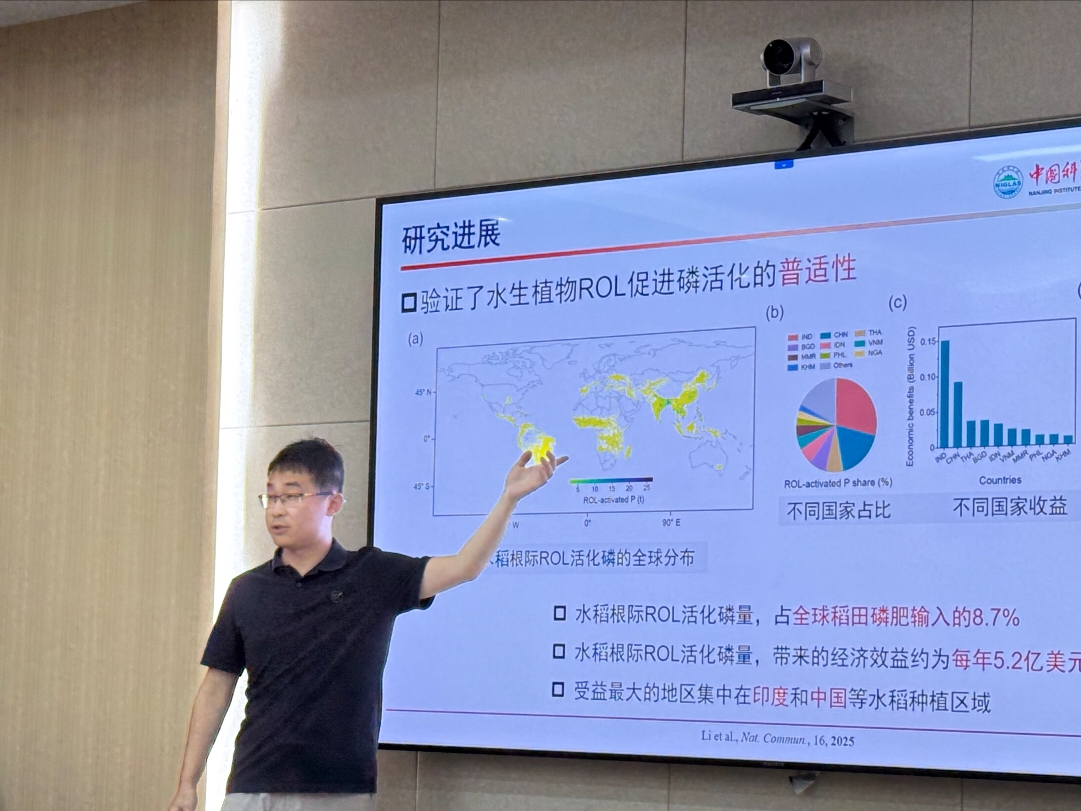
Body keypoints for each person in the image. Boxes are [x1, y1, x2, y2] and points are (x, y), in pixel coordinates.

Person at [167, 437, 566, 811]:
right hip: (253, 787)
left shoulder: (371, 575)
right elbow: (215, 689)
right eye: (271, 496)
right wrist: (187, 783)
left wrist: (509, 499)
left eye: (292, 495)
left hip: (339, 790)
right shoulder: (246, 589)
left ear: (333, 502)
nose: (276, 508)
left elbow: (465, 566)